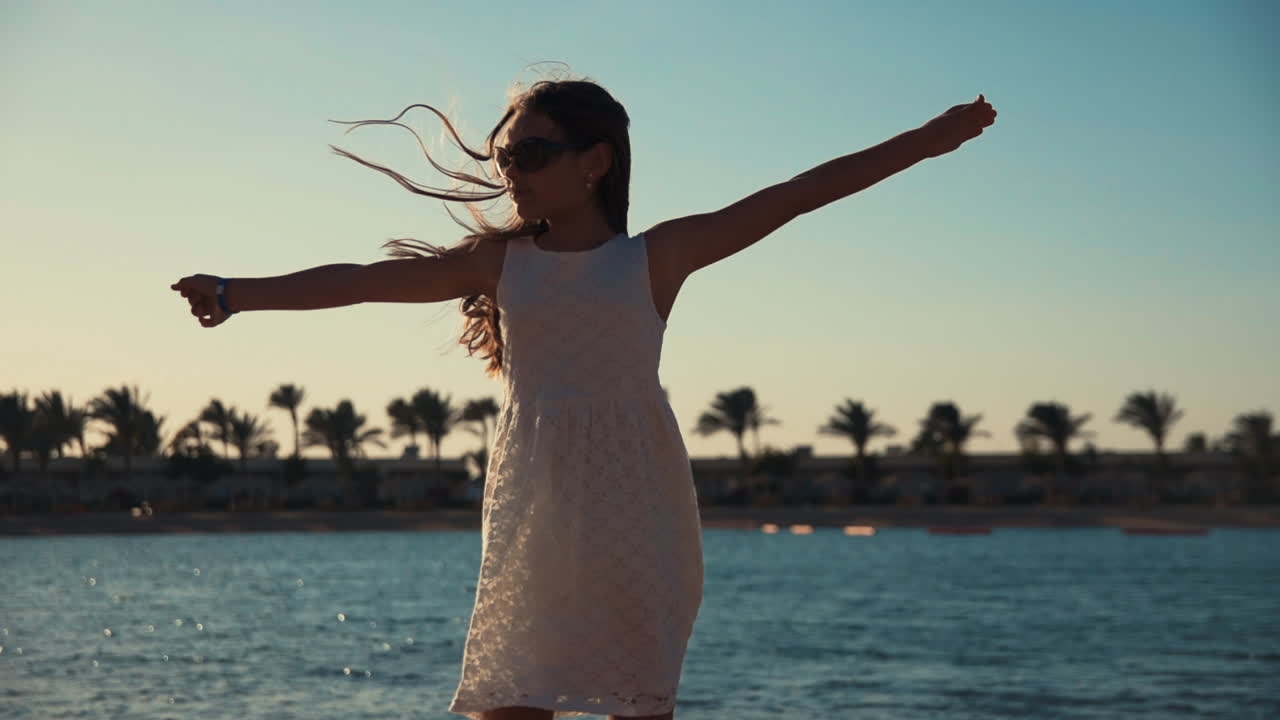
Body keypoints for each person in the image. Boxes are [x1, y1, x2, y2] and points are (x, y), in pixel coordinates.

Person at [170, 77, 996, 720]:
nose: (512, 173)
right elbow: (357, 283)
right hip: (535, 500)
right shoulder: (499, 264)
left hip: (640, 499)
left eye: (533, 155)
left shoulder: (655, 257)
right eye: (507, 158)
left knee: (640, 701)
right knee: (515, 697)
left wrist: (928, 141)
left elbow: (798, 192)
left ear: (595, 161)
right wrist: (238, 291)